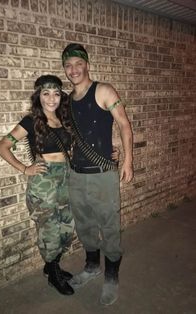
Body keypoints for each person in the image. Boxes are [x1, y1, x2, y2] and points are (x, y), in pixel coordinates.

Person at [62, 43, 134, 305]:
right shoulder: (67, 101)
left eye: (78, 63)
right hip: (76, 175)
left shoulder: (103, 90)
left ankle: (112, 277)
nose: (73, 69)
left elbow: (125, 125)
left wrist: (127, 161)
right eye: (68, 65)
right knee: (84, 225)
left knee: (109, 226)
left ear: (87, 65)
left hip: (103, 174)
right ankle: (92, 267)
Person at [0, 75, 75, 296]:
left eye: (56, 93)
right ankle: (54, 274)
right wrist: (25, 168)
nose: (52, 98)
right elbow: (2, 147)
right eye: (46, 93)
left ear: (61, 96)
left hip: (67, 179)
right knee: (49, 230)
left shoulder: (65, 119)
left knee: (67, 228)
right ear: (38, 96)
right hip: (44, 182)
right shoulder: (31, 121)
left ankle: (51, 266)